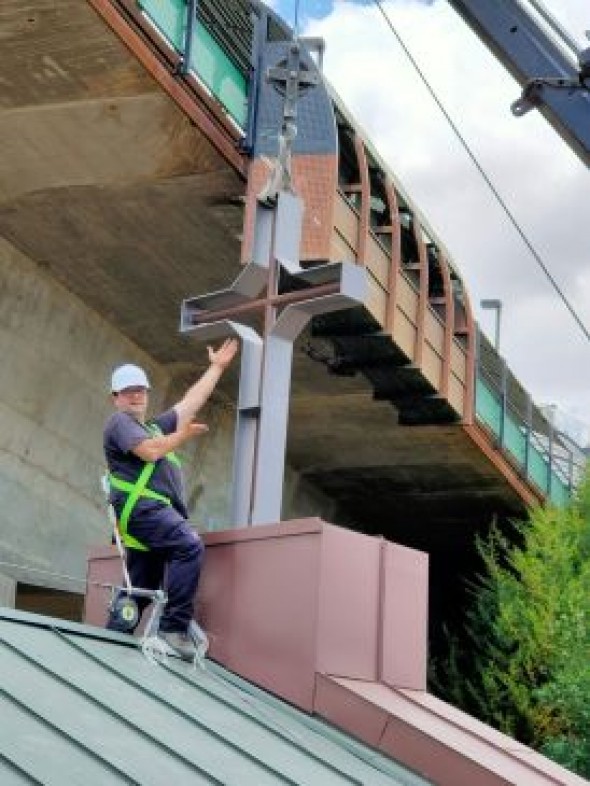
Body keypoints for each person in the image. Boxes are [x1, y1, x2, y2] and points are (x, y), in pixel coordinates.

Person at [103, 339, 238, 660]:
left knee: (140, 590)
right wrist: (182, 436)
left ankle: (107, 642)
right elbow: (149, 451)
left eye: (141, 390)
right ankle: (173, 628)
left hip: (145, 518)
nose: (136, 395)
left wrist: (216, 367)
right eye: (128, 390)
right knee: (188, 545)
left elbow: (190, 402)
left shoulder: (152, 427)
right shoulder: (120, 423)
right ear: (116, 398)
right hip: (144, 511)